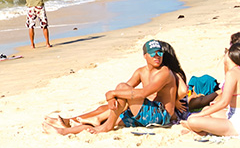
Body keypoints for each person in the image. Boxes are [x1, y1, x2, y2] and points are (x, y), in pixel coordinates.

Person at [43, 40, 187, 134]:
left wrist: (112, 93)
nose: (157, 56)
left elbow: (143, 93)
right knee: (117, 95)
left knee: (118, 94)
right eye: (152, 53)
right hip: (146, 112)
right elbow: (124, 90)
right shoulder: (140, 71)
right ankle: (64, 131)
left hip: (160, 116)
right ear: (145, 55)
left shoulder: (165, 72)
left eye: (159, 53)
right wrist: (113, 96)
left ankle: (105, 126)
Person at [181, 42, 240, 137]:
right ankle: (201, 128)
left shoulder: (232, 73)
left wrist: (200, 114)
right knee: (206, 109)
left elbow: (224, 102)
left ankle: (198, 129)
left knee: (192, 120)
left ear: (231, 56)